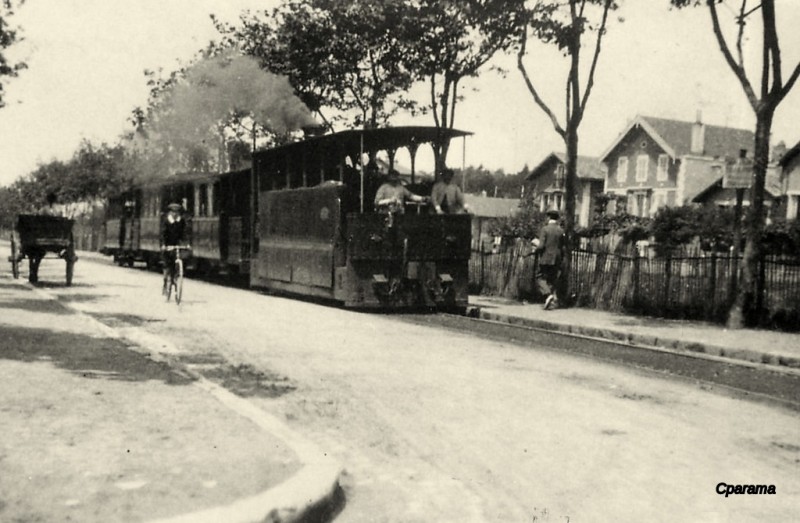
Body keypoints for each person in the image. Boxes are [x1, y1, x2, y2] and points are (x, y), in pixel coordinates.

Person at [532, 209, 565, 310]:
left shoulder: (545, 229)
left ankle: (548, 294)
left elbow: (541, 246)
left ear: (548, 217)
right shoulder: (561, 230)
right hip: (557, 258)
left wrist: (535, 249)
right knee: (551, 279)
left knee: (539, 277)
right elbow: (562, 246)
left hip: (546, 257)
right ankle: (550, 300)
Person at [160, 202, 188, 287]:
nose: (175, 214)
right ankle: (165, 281)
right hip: (168, 244)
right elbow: (163, 234)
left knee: (180, 259)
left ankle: (177, 275)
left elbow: (184, 233)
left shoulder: (181, 221)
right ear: (170, 213)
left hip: (177, 244)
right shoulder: (166, 221)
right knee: (167, 264)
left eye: (176, 212)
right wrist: (164, 245)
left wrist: (187, 244)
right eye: (173, 212)